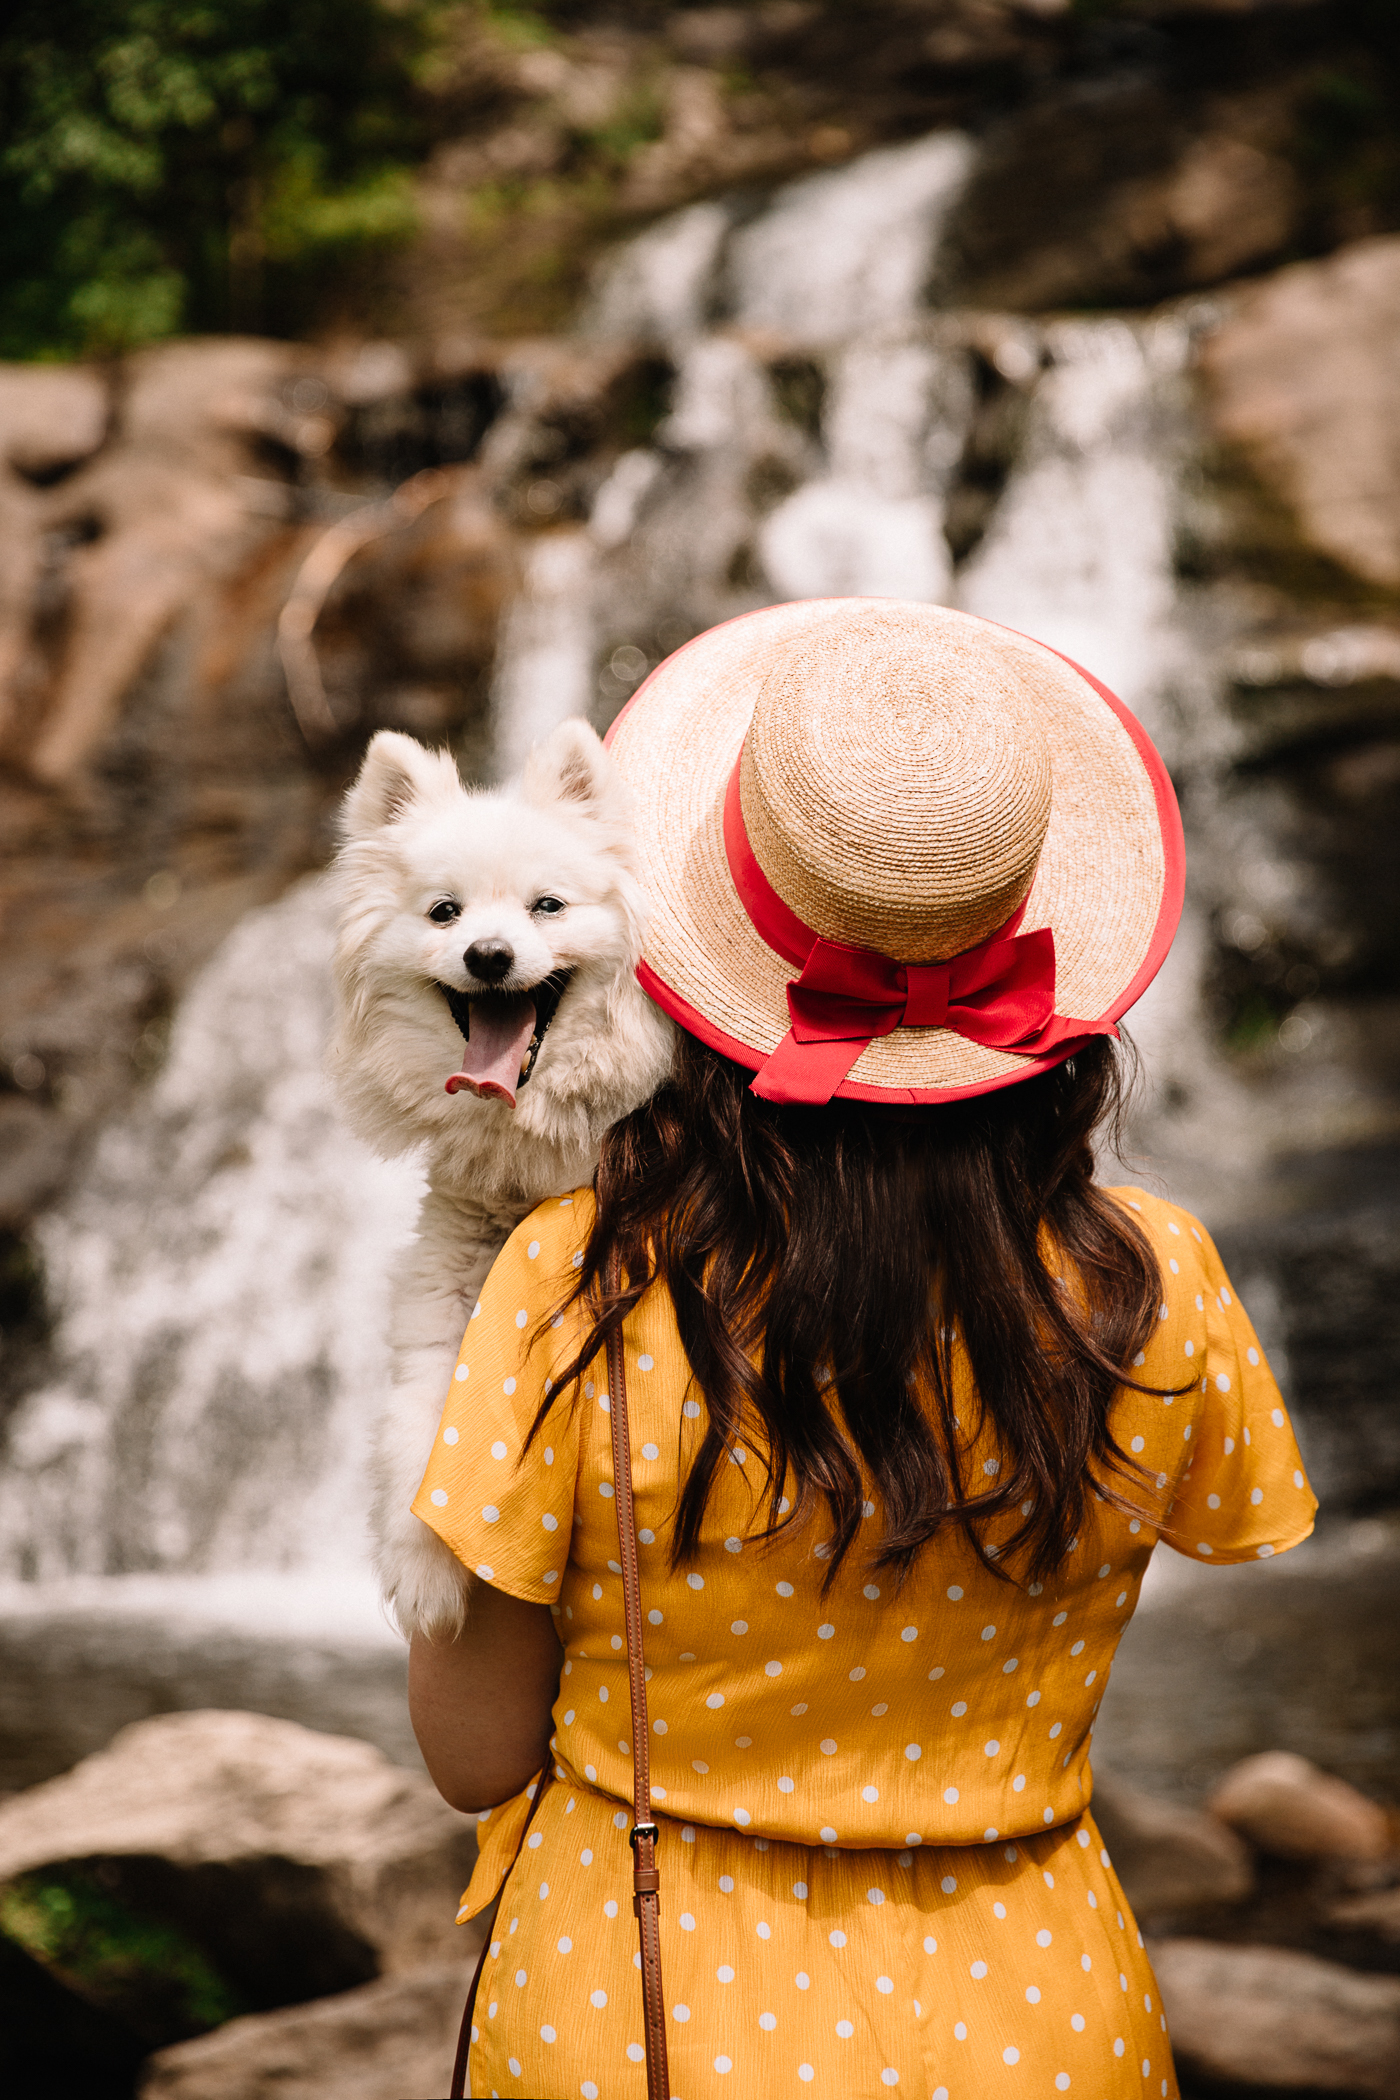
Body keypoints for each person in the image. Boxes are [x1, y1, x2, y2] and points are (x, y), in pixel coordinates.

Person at [408, 599, 1315, 2099]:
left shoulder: (575, 1274)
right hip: (1041, 2013)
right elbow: (1233, 1525)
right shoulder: (1159, 1280)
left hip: (644, 2010)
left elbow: (473, 1754)